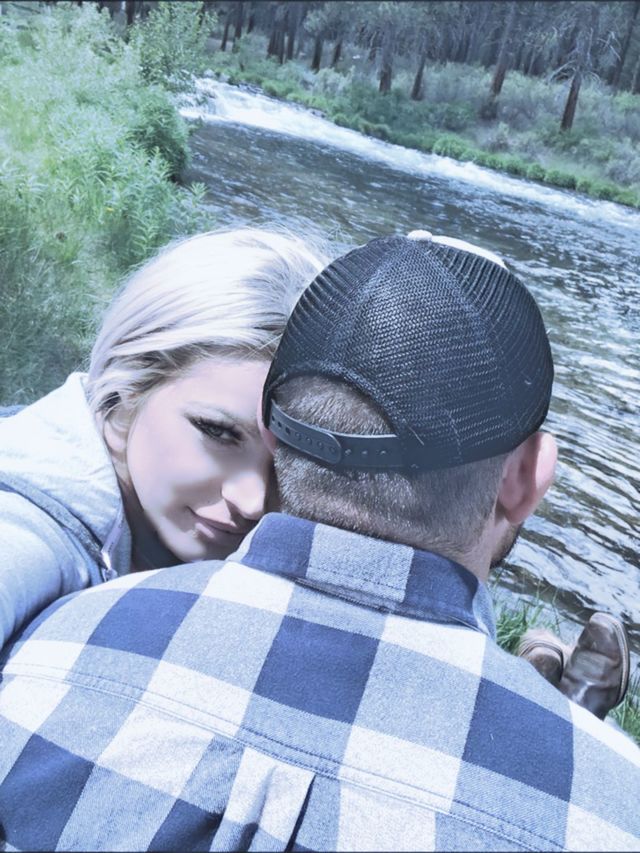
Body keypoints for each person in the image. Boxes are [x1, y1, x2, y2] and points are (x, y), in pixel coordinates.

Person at [1, 232, 638, 851]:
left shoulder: (58, 644)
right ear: (121, 393)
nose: (252, 500)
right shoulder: (30, 544)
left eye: (278, 455)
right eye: (217, 432)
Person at [0, 227, 328, 649]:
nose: (252, 501)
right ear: (127, 386)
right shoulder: (30, 528)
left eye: (289, 463)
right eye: (218, 432)